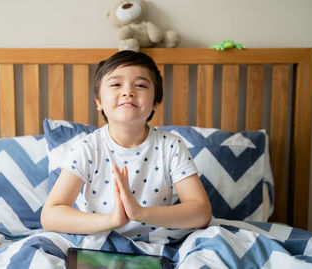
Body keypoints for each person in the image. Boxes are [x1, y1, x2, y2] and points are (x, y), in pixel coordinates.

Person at [41, 50, 212, 238]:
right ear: (99, 102)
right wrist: (112, 221)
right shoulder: (87, 148)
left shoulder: (170, 146)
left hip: (157, 243)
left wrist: (139, 213)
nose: (128, 92)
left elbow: (202, 212)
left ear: (155, 102)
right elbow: (50, 215)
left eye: (140, 85)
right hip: (99, 241)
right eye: (116, 84)